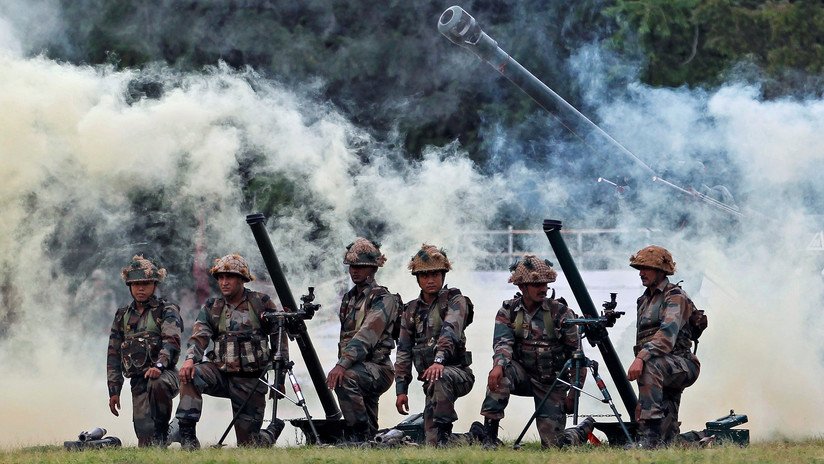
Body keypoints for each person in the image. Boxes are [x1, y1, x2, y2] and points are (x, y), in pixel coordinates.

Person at [175, 253, 288, 449]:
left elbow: (279, 338)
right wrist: (190, 360)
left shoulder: (260, 302)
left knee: (249, 446)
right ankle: (187, 436)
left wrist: (280, 378)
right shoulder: (213, 307)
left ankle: (271, 432)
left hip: (250, 381)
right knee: (191, 375)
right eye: (220, 277)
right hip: (220, 374)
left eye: (230, 277)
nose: (224, 282)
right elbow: (199, 336)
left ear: (242, 279)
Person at [479, 255, 581, 449]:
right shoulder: (509, 311)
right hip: (522, 375)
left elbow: (577, 356)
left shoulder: (560, 312)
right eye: (537, 285)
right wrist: (498, 366)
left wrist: (573, 394)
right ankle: (489, 438)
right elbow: (502, 343)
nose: (543, 289)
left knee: (554, 446)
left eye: (545, 284)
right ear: (522, 287)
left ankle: (581, 430)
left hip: (551, 382)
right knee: (500, 374)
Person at [394, 244, 474, 446]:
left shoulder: (456, 300)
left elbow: (450, 330)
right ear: (418, 278)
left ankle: (444, 437)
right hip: (430, 381)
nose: (430, 280)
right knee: (432, 442)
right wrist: (401, 390)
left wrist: (439, 360)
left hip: (456, 373)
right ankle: (472, 438)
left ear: (443, 275)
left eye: (435, 274)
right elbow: (403, 350)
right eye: (424, 275)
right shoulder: (411, 310)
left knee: (441, 376)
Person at [627, 245, 701, 448]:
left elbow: (667, 336)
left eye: (647, 268)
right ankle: (703, 438)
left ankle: (647, 438)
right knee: (668, 441)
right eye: (639, 268)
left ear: (661, 271)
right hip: (665, 364)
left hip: (682, 364)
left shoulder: (675, 296)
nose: (641, 273)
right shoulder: (644, 300)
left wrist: (641, 357)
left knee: (650, 365)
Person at [326, 237, 399, 442]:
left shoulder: (384, 298)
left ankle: (357, 437)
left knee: (345, 378)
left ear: (373, 269)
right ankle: (369, 441)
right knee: (369, 424)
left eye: (360, 267)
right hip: (359, 367)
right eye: (351, 267)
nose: (354, 271)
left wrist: (341, 365)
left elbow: (366, 335)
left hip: (379, 368)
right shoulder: (349, 299)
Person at [107, 255, 183, 447]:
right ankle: (171, 433)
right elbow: (114, 354)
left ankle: (166, 431)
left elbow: (172, 342)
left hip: (165, 375)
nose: (140, 288)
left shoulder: (166, 310)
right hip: (138, 382)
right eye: (136, 284)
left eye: (146, 284)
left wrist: (159, 365)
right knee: (146, 441)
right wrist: (114, 390)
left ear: (155, 285)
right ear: (130, 286)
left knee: (156, 383)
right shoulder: (122, 315)